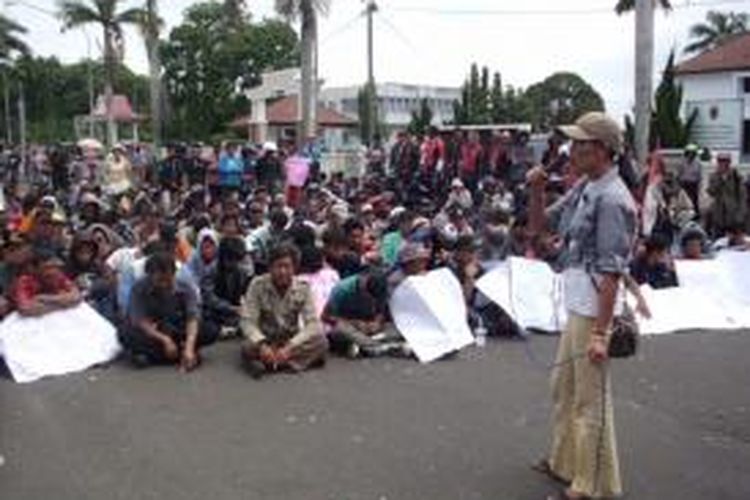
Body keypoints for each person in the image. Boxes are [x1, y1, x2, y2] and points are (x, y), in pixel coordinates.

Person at [528, 112, 636, 500]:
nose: (572, 150)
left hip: (593, 307)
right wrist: (537, 193)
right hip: (577, 300)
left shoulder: (613, 199)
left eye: (580, 144)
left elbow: (611, 272)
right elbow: (540, 229)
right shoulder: (587, 187)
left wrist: (600, 333)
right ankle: (565, 462)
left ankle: (591, 484)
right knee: (564, 388)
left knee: (590, 400)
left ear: (604, 151)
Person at [240, 244, 328, 379]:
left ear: (294, 269)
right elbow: (247, 321)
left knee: (322, 342)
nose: (282, 272)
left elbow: (313, 324)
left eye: (287, 266)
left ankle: (275, 364)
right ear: (270, 268)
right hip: (265, 338)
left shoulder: (303, 288)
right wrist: (262, 344)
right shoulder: (257, 285)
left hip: (289, 339)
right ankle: (288, 362)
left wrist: (291, 346)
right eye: (278, 266)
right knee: (247, 346)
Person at [120, 252, 218, 370]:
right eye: (159, 280)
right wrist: (164, 340)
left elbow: (192, 318)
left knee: (211, 329)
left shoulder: (186, 285)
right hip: (155, 330)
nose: (164, 285)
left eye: (168, 280)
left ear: (174, 273)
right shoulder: (139, 288)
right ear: (149, 276)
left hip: (177, 327)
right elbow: (140, 321)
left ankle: (157, 356)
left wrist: (189, 347)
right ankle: (175, 355)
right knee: (125, 333)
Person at [323, 269, 406, 358]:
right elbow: (325, 316)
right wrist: (355, 322)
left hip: (367, 324)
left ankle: (364, 345)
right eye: (367, 294)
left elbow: (380, 312)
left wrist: (376, 322)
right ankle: (376, 346)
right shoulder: (341, 289)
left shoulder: (381, 288)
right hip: (347, 324)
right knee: (340, 330)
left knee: (395, 327)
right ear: (363, 281)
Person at [201, 236, 252, 338]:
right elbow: (208, 298)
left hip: (232, 312)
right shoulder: (210, 270)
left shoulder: (239, 271)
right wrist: (231, 308)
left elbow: (242, 294)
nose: (235, 264)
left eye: (237, 261)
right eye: (231, 260)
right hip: (213, 311)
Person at [707, 153, 747, 238]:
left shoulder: (736, 176)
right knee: (719, 239)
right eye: (720, 161)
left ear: (729, 162)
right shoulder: (714, 176)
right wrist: (720, 179)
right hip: (719, 214)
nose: (722, 163)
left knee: (735, 239)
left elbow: (742, 195)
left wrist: (741, 213)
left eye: (725, 161)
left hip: (733, 213)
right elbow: (711, 192)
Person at [678, 144, 702, 212]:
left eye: (692, 153)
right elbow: (679, 173)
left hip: (694, 184)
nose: (690, 155)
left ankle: (695, 213)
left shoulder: (697, 162)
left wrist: (699, 184)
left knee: (694, 199)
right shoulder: (682, 162)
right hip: (684, 183)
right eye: (689, 153)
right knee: (684, 200)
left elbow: (699, 175)